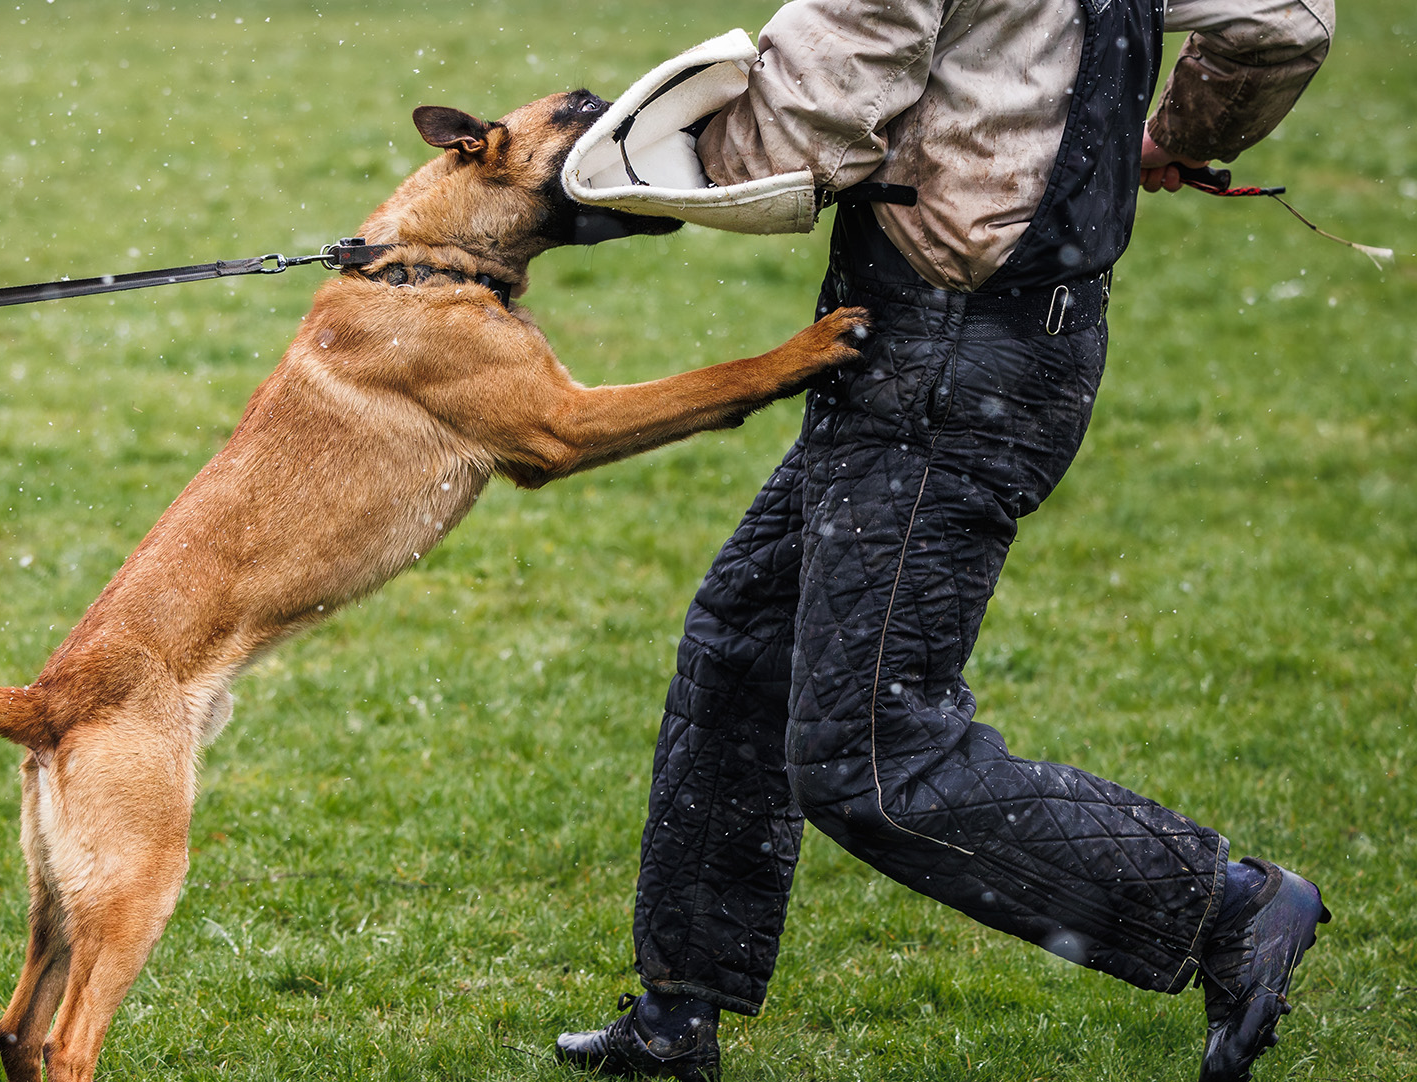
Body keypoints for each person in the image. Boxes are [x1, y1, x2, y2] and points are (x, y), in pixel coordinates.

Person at [554, 0, 1335, 1080]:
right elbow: (1284, 19)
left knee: (869, 755)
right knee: (746, 645)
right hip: (995, 339)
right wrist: (1183, 131)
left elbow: (809, 120)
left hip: (950, 360)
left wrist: (610, 171)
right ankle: (678, 1013)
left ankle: (1229, 905)